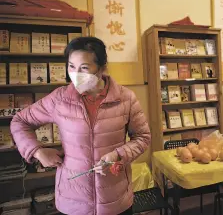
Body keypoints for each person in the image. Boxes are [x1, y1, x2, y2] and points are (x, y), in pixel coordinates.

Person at [10, 37, 151, 215]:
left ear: (102, 68)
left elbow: (142, 137)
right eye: (71, 66)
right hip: (73, 201)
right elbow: (20, 121)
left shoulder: (126, 98)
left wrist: (117, 155)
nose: (76, 74)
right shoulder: (59, 99)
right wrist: (37, 151)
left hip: (115, 200)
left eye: (84, 68)